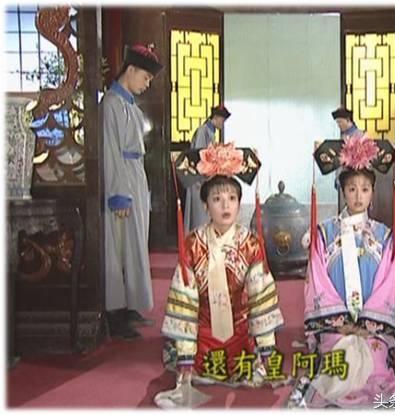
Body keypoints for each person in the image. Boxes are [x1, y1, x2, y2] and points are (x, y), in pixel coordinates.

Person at [287, 135, 395, 409]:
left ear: (373, 192)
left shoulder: (383, 236)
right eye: (352, 189)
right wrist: (341, 323)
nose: (358, 196)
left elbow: (387, 286)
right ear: (343, 191)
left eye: (365, 189)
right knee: (342, 361)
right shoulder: (324, 234)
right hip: (334, 325)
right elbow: (318, 282)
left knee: (375, 365)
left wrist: (366, 325)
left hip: (372, 325)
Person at [161, 143, 285, 390]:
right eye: (217, 199)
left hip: (240, 339)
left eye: (232, 198)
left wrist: (266, 349)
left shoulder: (250, 244)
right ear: (205, 205)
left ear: (239, 203)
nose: (225, 206)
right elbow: (184, 302)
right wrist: (186, 355)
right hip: (202, 340)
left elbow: (261, 300)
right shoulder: (193, 244)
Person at [101, 43, 163, 340]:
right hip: (122, 177)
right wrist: (118, 192)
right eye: (146, 77)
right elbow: (109, 151)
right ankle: (115, 312)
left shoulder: (131, 107)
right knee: (119, 246)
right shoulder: (111, 104)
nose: (147, 84)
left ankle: (131, 304)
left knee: (136, 243)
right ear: (131, 69)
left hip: (135, 176)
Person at [176, 105, 231, 233]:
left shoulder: (210, 132)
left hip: (206, 179)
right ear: (216, 117)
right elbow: (200, 156)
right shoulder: (203, 131)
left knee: (205, 215)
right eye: (222, 120)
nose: (222, 123)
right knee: (199, 218)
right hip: (198, 180)